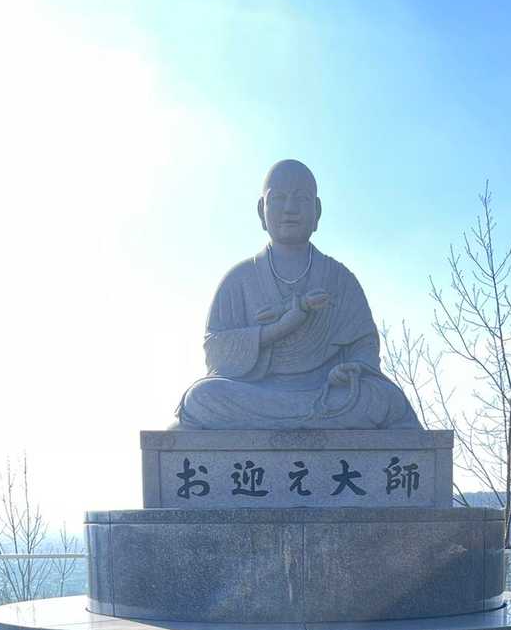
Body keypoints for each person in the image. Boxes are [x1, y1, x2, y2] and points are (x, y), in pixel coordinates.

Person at [173, 159, 419, 429]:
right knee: (201, 397)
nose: (290, 209)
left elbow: (364, 345)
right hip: (257, 393)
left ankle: (298, 419)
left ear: (317, 211)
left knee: (385, 398)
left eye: (301, 199)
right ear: (261, 210)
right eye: (278, 198)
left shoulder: (339, 279)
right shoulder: (239, 279)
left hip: (327, 391)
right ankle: (310, 420)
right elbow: (216, 352)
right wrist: (275, 331)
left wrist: (353, 368)